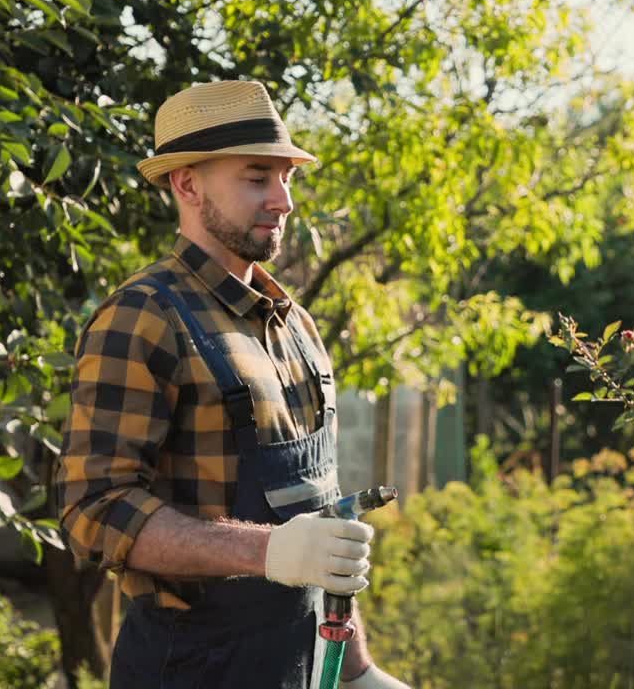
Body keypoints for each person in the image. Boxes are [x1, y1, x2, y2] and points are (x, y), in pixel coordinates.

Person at [56, 80, 409, 689]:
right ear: (187, 184)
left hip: (299, 666)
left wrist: (356, 672)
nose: (283, 200)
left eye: (287, 177)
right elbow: (93, 509)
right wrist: (265, 552)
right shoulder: (144, 316)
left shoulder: (295, 325)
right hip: (188, 670)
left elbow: (319, 518)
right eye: (256, 178)